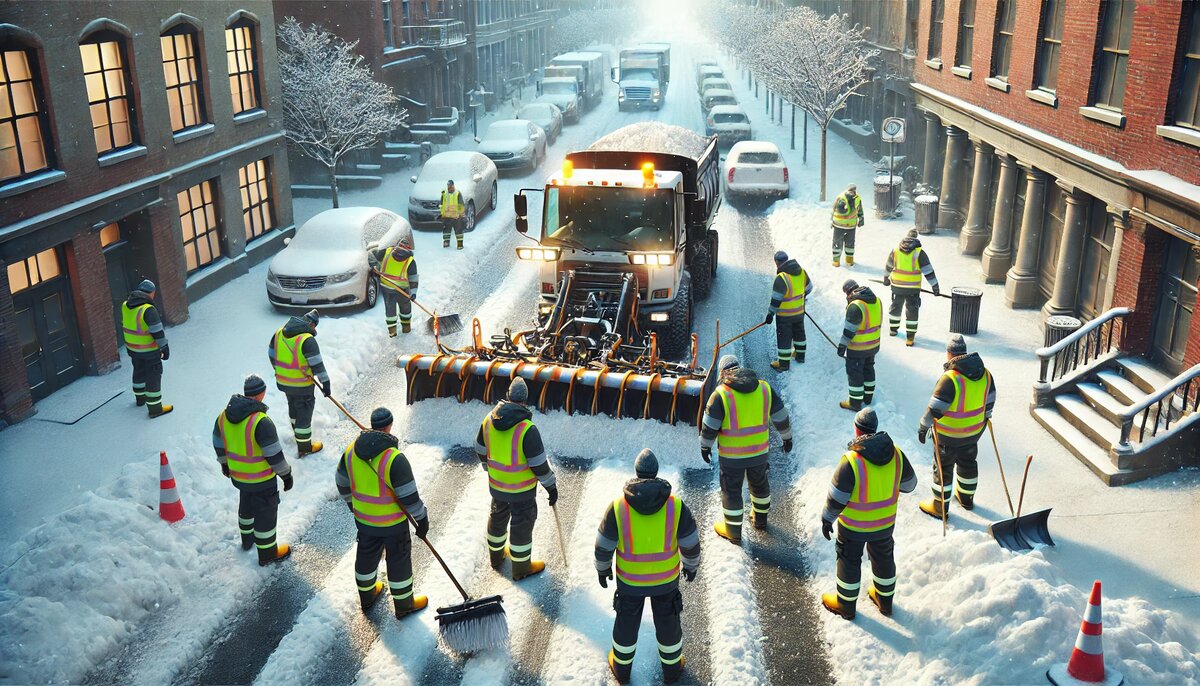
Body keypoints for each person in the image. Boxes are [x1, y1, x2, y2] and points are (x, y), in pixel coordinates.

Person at [594, 449, 701, 685]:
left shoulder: (618, 507)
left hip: (630, 583)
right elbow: (691, 542)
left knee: (626, 624)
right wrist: (691, 566)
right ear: (655, 472)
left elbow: (603, 545)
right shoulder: (675, 506)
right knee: (668, 624)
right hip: (666, 583)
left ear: (637, 472)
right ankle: (672, 670)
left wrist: (603, 569)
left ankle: (621, 670)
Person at [820, 408, 917, 620]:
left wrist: (827, 519)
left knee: (849, 561)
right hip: (884, 525)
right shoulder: (897, 454)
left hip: (853, 528)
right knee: (883, 558)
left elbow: (837, 498)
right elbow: (910, 485)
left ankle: (845, 605)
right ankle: (885, 602)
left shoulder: (852, 460)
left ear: (857, 429)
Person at [335, 407, 430, 618]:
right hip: (393, 524)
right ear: (389, 426)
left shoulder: (351, 451)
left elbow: (341, 482)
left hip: (365, 521)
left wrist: (353, 505)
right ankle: (404, 605)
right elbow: (409, 497)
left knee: (366, 555)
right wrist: (422, 518)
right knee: (398, 560)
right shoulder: (394, 458)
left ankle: (367, 597)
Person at [700, 355, 793, 543]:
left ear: (723, 373)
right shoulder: (764, 389)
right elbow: (781, 415)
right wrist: (787, 438)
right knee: (759, 485)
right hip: (759, 453)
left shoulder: (721, 394)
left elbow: (709, 426)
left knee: (732, 491)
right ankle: (760, 520)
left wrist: (705, 446)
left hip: (731, 457)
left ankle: (733, 531)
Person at [475, 377, 558, 580]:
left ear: (508, 396)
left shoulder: (488, 421)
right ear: (525, 401)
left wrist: (490, 469)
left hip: (497, 487)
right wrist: (551, 487)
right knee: (521, 526)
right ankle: (521, 569)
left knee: (497, 519)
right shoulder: (527, 429)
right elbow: (539, 465)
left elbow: (479, 449)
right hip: (522, 492)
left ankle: (496, 558)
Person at [213, 374, 293, 565]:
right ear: (261, 394)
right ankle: (267, 554)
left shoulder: (224, 416)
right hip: (261, 480)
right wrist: (286, 475)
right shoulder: (261, 422)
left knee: (246, 505)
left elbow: (218, 442)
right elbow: (274, 456)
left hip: (239, 477)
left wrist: (225, 463)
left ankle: (247, 540)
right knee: (265, 513)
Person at [918, 335, 997, 519]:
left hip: (948, 436)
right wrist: (985, 419)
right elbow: (990, 401)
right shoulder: (986, 374)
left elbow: (934, 410)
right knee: (967, 463)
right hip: (973, 433)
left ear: (949, 354)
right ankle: (966, 497)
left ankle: (939, 507)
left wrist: (923, 427)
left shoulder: (950, 379)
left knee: (943, 469)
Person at [267, 309, 330, 456]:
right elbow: (317, 365)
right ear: (312, 325)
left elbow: (271, 354)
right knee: (304, 413)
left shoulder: (279, 333)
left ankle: (298, 436)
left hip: (284, 382)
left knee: (293, 407)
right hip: (302, 385)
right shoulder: (307, 340)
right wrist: (326, 383)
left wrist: (280, 370)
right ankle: (304, 447)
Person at [121, 279, 172, 418]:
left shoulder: (126, 305)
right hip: (149, 351)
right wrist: (164, 347)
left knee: (139, 372)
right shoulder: (148, 310)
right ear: (151, 293)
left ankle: (140, 399)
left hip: (133, 350)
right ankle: (155, 409)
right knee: (153, 376)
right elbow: (157, 332)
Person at [884, 229, 941, 346]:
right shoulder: (919, 253)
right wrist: (935, 286)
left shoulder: (895, 251)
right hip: (912, 289)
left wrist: (886, 278)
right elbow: (928, 272)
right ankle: (910, 338)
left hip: (897, 286)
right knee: (912, 311)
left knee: (896, 307)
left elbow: (889, 266)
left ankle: (893, 330)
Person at [837, 279, 882, 411]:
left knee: (854, 373)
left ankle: (855, 402)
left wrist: (842, 346)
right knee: (868, 368)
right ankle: (867, 397)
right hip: (873, 345)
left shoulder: (856, 306)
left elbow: (849, 331)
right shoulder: (876, 301)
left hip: (858, 348)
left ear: (847, 293)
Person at [764, 250, 813, 371]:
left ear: (776, 262)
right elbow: (809, 288)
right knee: (799, 333)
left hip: (785, 315)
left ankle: (783, 364)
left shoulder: (782, 278)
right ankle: (800, 356)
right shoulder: (801, 272)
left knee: (784, 337)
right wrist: (800, 298)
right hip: (799, 312)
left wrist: (770, 314)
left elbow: (776, 299)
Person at [369, 237, 419, 337]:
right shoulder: (410, 261)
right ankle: (405, 329)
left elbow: (371, 253)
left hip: (390, 288)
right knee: (404, 308)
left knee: (390, 309)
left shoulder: (387, 252)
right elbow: (413, 279)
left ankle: (394, 332)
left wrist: (374, 265)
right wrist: (413, 293)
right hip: (397, 289)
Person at [830, 184, 864, 267]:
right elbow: (860, 211)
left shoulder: (840, 196)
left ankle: (836, 262)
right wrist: (861, 220)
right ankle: (849, 261)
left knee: (837, 243)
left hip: (838, 224)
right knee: (850, 243)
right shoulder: (857, 198)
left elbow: (833, 209)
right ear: (855, 190)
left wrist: (832, 221)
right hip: (850, 225)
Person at [440, 179, 467, 250]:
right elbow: (442, 205)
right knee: (446, 231)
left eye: (451, 186)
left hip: (456, 217)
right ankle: (446, 244)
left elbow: (461, 206)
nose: (450, 188)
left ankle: (460, 245)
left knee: (459, 231)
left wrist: (462, 216)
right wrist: (442, 214)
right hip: (447, 217)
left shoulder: (457, 193)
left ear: (453, 185)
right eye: (448, 186)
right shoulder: (444, 194)